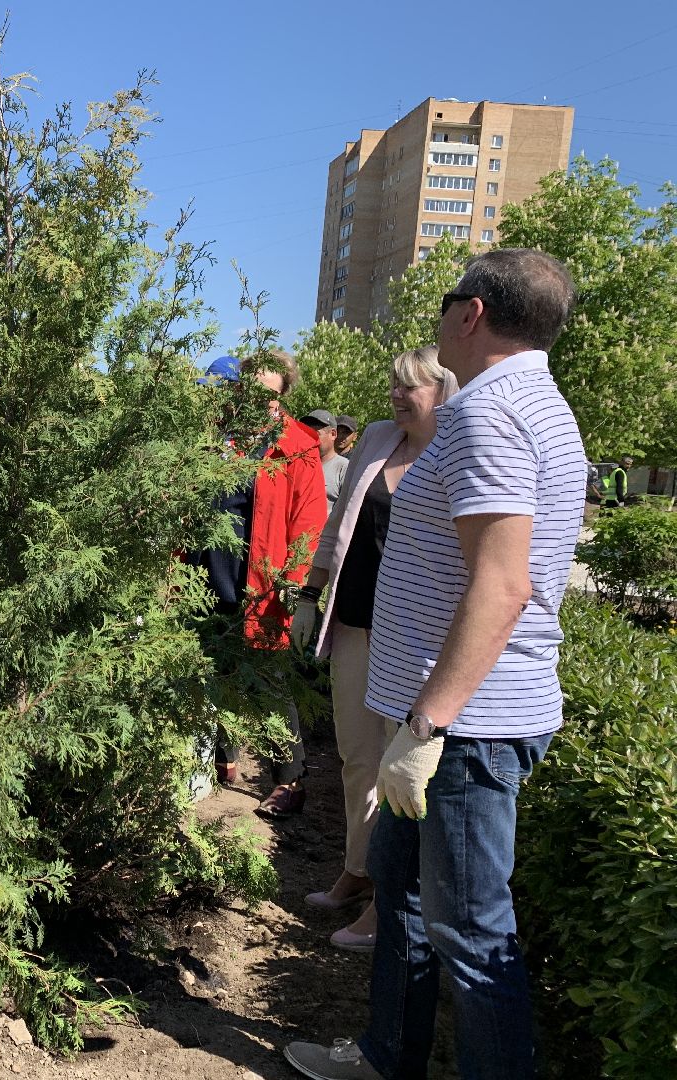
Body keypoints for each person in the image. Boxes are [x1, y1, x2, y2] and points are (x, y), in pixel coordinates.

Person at [286, 248, 586, 1080]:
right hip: (443, 719)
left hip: (464, 728)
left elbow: (502, 584)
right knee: (406, 900)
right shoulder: (524, 401)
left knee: (471, 931)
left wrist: (427, 724)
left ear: (472, 314)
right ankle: (387, 1057)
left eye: (447, 302)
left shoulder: (493, 413)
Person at [290, 348, 458, 953]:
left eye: (408, 385)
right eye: (393, 382)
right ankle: (357, 871)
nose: (395, 393)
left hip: (413, 636)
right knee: (357, 756)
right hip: (356, 620)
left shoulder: (459, 447)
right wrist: (312, 589)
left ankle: (388, 905)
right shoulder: (381, 439)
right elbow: (341, 526)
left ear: (442, 391)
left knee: (398, 769)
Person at [190, 352, 326, 816]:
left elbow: (309, 521)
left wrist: (294, 581)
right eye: (253, 390)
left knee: (268, 683)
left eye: (272, 394)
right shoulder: (218, 438)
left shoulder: (298, 446)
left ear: (284, 395)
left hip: (263, 583)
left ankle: (291, 778)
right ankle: (222, 760)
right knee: (213, 672)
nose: (261, 402)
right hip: (208, 574)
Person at [299, 408, 349, 512]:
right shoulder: (299, 464)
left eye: (316, 434)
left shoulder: (344, 468)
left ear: (333, 434)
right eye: (306, 433)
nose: (310, 438)